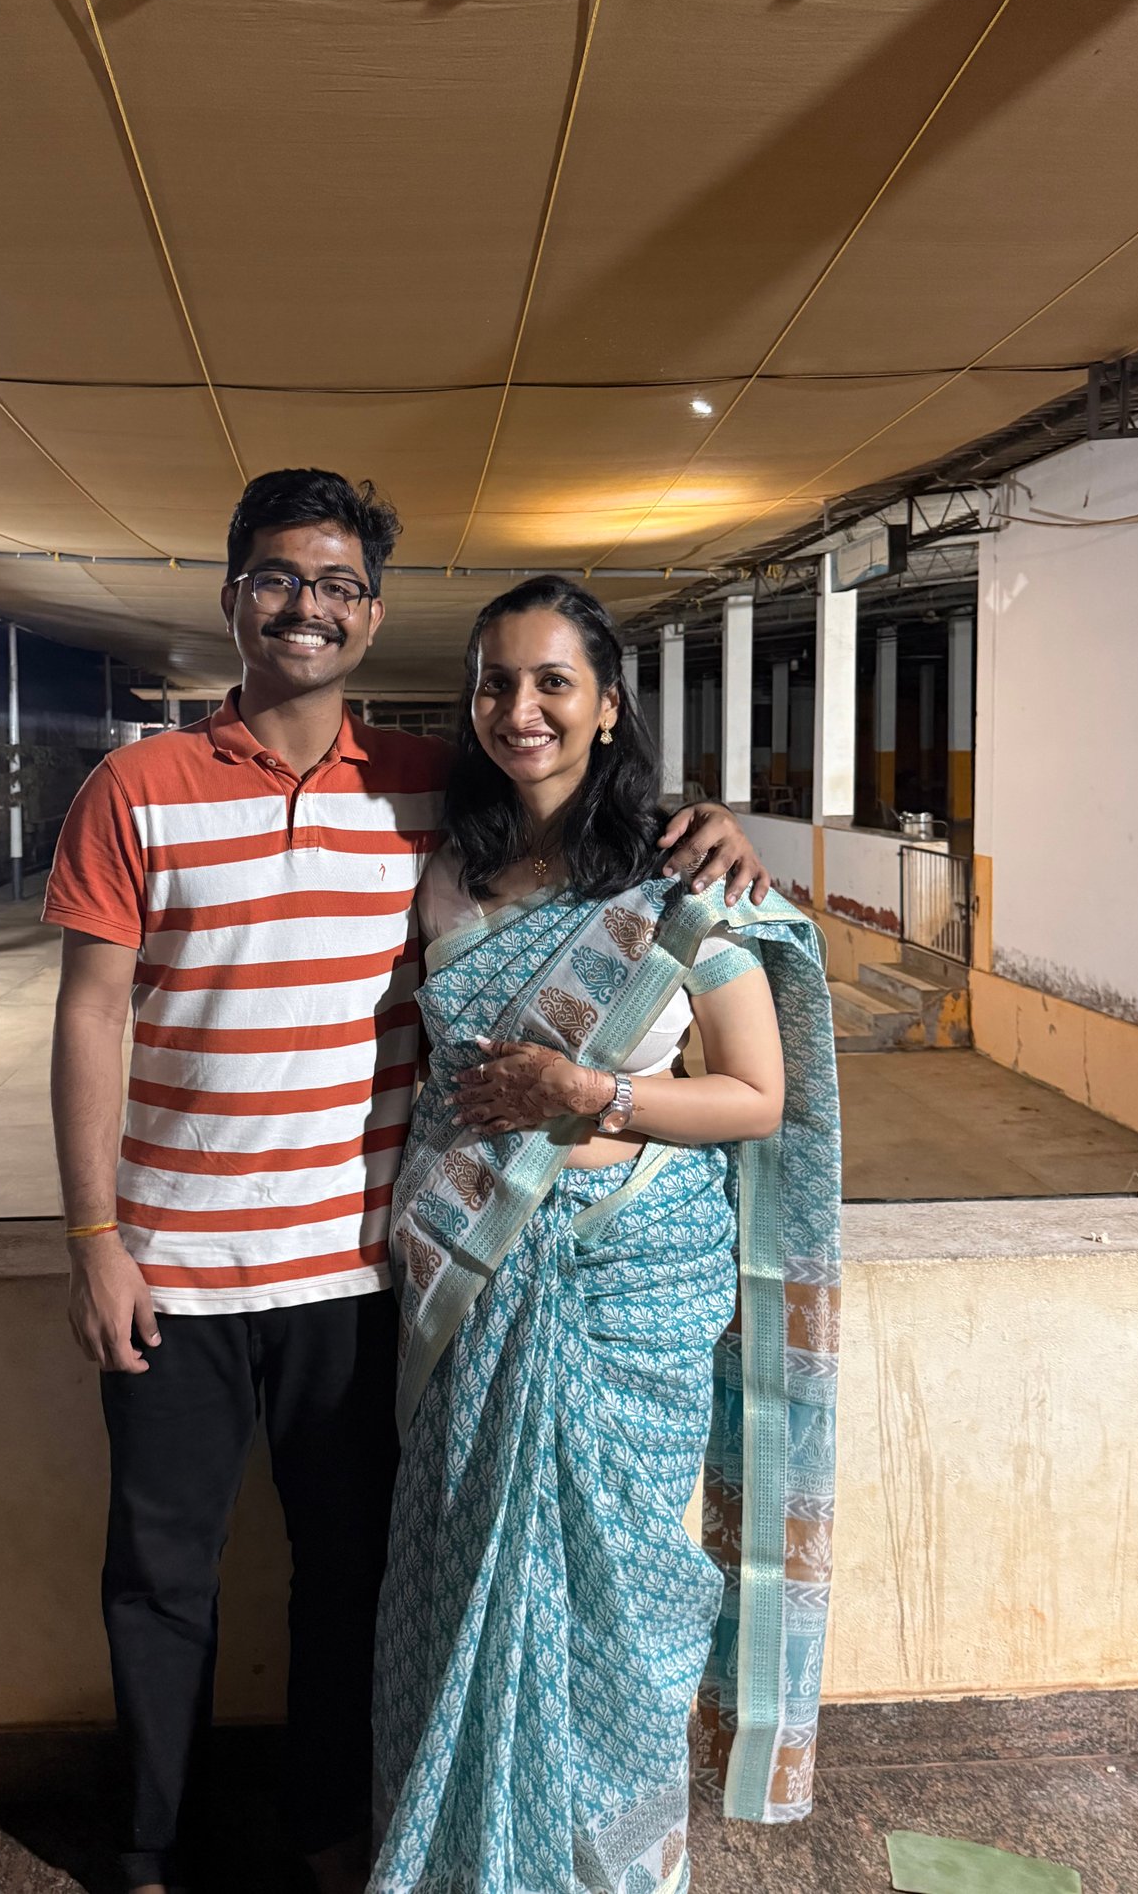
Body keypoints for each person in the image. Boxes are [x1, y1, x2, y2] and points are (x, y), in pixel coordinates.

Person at [41, 470, 771, 1894]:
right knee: (160, 1572)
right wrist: (93, 1236)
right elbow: (89, 1015)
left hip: (360, 1269)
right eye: (277, 578)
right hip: (176, 1267)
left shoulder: (425, 789)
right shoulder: (134, 789)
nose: (305, 607)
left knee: (352, 1573)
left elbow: (593, 824)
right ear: (233, 595)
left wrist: (717, 822)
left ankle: (334, 1826)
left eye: (337, 585)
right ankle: (148, 1844)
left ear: (372, 615)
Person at [369, 575, 841, 1894]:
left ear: (608, 704)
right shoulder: (447, 866)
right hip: (474, 1266)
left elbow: (757, 1094)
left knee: (618, 1594)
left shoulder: (680, 875)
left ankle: (606, 1870)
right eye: (496, 683)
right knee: (465, 1565)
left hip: (631, 1272)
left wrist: (593, 1092)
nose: (520, 708)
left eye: (553, 682)